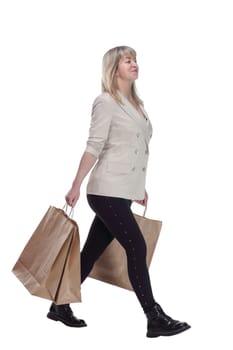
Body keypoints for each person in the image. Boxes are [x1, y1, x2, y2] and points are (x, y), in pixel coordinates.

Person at [46, 46, 191, 338]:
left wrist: (139, 187)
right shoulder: (106, 102)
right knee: (136, 247)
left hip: (122, 190)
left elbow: (131, 150)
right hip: (105, 191)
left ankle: (59, 305)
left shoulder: (137, 105)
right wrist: (75, 184)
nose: (134, 64)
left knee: (91, 252)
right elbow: (94, 146)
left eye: (135, 59)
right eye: (128, 60)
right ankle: (154, 316)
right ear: (114, 68)